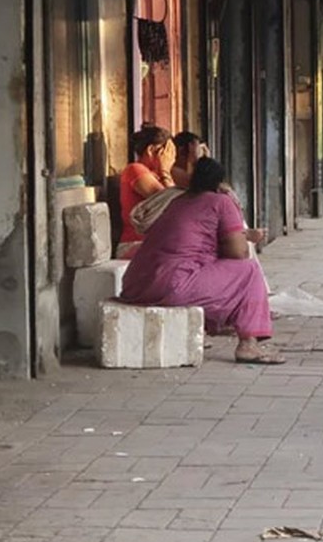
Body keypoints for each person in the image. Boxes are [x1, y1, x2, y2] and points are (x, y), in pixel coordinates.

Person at [121, 157, 283, 364]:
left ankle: (209, 327)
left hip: (135, 285)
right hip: (171, 285)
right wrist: (245, 237)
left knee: (211, 270)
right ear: (219, 183)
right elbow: (238, 253)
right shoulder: (221, 201)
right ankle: (248, 345)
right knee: (249, 271)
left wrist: (238, 235)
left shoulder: (177, 201)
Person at [117, 125, 175, 258]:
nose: (171, 159)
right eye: (168, 153)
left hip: (154, 243)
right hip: (135, 243)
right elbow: (169, 202)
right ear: (151, 150)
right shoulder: (135, 169)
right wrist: (165, 171)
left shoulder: (157, 175)